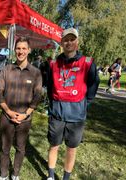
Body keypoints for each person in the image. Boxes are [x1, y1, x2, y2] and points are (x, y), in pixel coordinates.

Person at [46, 28, 99, 180]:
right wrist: (55, 103)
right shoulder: (54, 64)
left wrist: (84, 104)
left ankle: (65, 178)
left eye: (72, 39)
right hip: (57, 114)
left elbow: (93, 86)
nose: (69, 42)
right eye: (66, 40)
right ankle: (50, 176)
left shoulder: (87, 63)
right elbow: (50, 87)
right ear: (61, 43)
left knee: (71, 149)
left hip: (76, 116)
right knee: (54, 146)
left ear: (77, 42)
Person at [0, 37, 42, 180]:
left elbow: (37, 96)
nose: (20, 51)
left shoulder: (35, 72)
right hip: (6, 116)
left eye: (23, 48)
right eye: (18, 48)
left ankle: (15, 174)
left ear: (29, 50)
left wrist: (25, 114)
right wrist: (9, 112)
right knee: (5, 148)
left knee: (20, 148)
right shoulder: (6, 70)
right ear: (15, 50)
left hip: (25, 118)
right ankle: (3, 175)